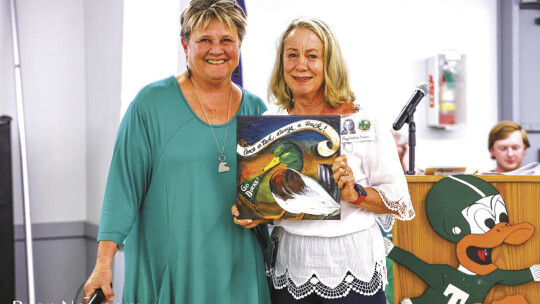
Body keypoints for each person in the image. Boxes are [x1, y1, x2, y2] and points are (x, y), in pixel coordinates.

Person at [83, 1, 271, 303]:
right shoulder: (149, 105)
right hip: (172, 273)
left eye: (226, 40)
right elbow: (122, 191)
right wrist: (103, 265)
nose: (217, 49)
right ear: (185, 44)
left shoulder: (257, 111)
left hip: (241, 273)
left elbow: (271, 198)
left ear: (239, 45)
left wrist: (262, 215)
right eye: (204, 40)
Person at [232, 17, 415, 303]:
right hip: (291, 268)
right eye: (292, 55)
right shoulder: (269, 124)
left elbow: (398, 203)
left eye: (312, 55)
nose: (300, 65)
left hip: (352, 268)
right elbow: (269, 208)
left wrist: (355, 194)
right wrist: (250, 214)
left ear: (329, 63)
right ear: (282, 63)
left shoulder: (363, 122)